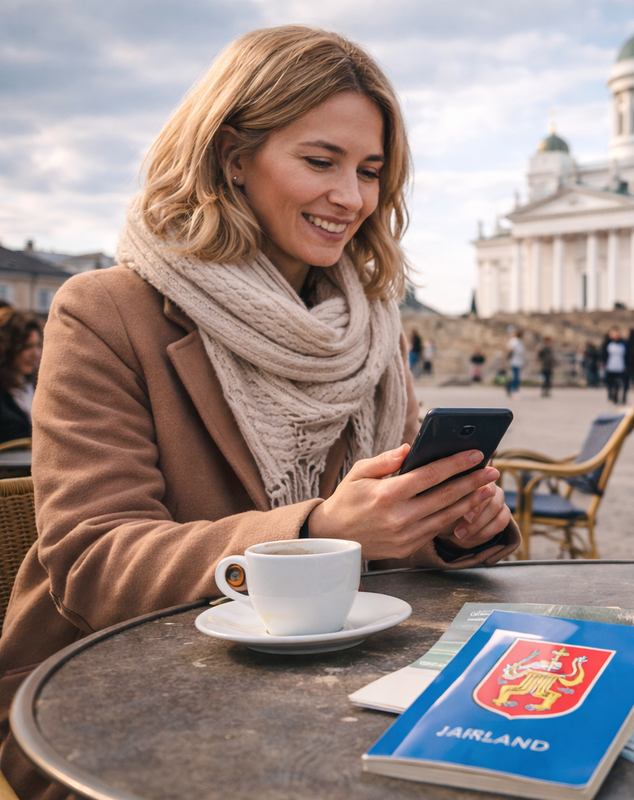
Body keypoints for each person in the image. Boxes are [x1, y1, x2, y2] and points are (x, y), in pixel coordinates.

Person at [0, 26, 520, 799]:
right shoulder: (105, 311)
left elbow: (391, 507)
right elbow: (92, 563)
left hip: (334, 680)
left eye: (370, 171)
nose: (351, 197)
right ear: (232, 156)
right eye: (320, 161)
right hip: (121, 701)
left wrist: (449, 520)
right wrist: (319, 534)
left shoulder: (370, 323)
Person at [0, 310, 41, 443]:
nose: (36, 354)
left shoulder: (34, 387)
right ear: (7, 349)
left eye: (38, 346)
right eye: (28, 346)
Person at [604, 327, 626, 405]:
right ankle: (611, 397)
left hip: (619, 366)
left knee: (617, 383)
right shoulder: (607, 342)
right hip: (610, 366)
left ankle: (616, 398)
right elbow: (603, 353)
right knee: (610, 383)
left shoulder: (622, 343)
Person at [506, 328, 525, 397]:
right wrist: (508, 360)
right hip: (514, 361)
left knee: (516, 377)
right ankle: (513, 390)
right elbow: (510, 350)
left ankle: (514, 389)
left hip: (517, 361)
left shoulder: (518, 341)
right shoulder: (514, 341)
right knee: (515, 377)